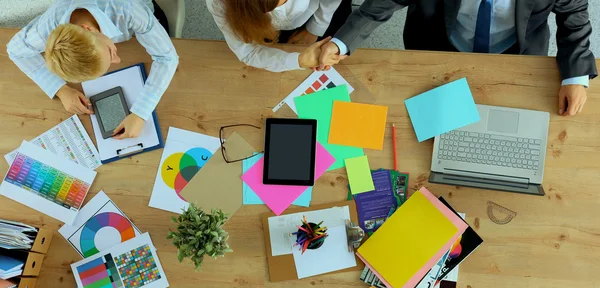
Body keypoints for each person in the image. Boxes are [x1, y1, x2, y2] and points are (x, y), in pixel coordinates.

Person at [318, 0, 597, 116]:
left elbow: (574, 14)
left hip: (517, 56)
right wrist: (342, 42)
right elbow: (382, 2)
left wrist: (575, 76)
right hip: (438, 47)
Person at [6, 0, 179, 139]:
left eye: (111, 52)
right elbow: (14, 50)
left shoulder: (129, 9)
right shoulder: (45, 29)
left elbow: (168, 57)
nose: (117, 60)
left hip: (144, 16)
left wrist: (141, 112)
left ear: (88, 30)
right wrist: (60, 89)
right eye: (111, 53)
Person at [206, 0, 353, 72]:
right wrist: (298, 60)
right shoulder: (220, 3)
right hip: (268, 30)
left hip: (325, 10)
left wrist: (315, 28)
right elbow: (248, 52)